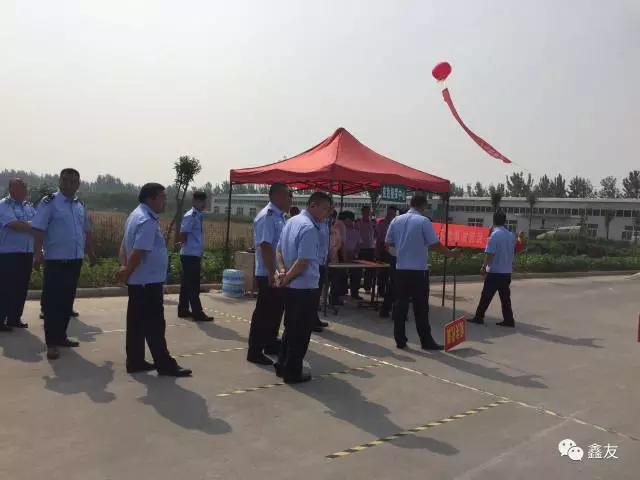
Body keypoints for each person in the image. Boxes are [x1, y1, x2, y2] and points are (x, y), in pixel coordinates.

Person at [117, 183, 192, 376]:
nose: (165, 201)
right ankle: (165, 364)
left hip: (139, 281)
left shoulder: (135, 215)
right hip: (147, 282)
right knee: (155, 325)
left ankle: (135, 361)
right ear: (150, 199)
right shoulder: (146, 220)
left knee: (136, 324)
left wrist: (125, 268)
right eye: (162, 197)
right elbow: (139, 251)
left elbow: (123, 247)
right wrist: (127, 270)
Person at [32, 168, 96, 360]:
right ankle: (51, 343)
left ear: (78, 184)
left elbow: (86, 230)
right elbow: (38, 229)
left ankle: (61, 336)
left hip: (75, 260)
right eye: (65, 180)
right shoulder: (49, 202)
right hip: (56, 261)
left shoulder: (79, 205)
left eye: (73, 181)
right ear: (60, 181)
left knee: (67, 302)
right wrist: (38, 253)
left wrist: (91, 252)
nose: (69, 184)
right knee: (53, 303)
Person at [385, 194, 460, 350]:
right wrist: (450, 253)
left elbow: (388, 244)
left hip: (401, 269)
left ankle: (400, 340)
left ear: (411, 204)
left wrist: (401, 254)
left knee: (400, 305)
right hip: (418, 271)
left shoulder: (396, 220)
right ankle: (426, 341)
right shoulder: (423, 221)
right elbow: (435, 244)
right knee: (420, 307)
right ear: (423, 205)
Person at [275, 192, 332, 383]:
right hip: (304, 287)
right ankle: (292, 371)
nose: (326, 213)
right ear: (313, 206)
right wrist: (287, 277)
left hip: (291, 286)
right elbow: (303, 262)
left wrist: (283, 272)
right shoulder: (309, 228)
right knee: (300, 332)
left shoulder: (291, 222)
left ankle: (282, 364)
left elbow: (279, 251)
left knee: (290, 328)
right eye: (324, 209)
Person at [247, 183, 291, 365]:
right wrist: (272, 273)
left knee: (275, 312)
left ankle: (270, 343)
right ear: (278, 196)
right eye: (288, 195)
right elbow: (265, 246)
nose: (290, 199)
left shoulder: (280, 216)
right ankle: (254, 351)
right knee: (264, 313)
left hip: (277, 272)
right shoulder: (268, 216)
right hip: (268, 272)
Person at [469, 211, 517, 328]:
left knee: (486, 295)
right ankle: (509, 320)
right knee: (505, 298)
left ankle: (479, 317)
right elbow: (512, 251)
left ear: (494, 221)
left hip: (495, 271)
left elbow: (490, 253)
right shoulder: (511, 235)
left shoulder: (495, 235)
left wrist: (484, 267)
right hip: (506, 272)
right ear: (504, 221)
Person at [0, 179, 36, 331]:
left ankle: (14, 318)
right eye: (21, 187)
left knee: (21, 287)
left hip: (27, 252)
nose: (25, 190)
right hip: (8, 253)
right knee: (5, 288)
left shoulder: (28, 206)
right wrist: (31, 225)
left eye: (25, 187)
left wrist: (27, 225)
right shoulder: (4, 205)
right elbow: (14, 225)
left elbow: (40, 223)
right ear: (12, 189)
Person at [177, 191, 213, 322]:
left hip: (193, 254)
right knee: (193, 285)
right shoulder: (191, 215)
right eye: (201, 202)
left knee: (186, 285)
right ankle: (198, 313)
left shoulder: (198, 215)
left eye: (204, 202)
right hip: (190, 255)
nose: (204, 204)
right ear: (195, 202)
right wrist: (186, 245)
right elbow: (183, 233)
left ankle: (183, 310)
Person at [376, 205, 398, 318]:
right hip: (385, 252)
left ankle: (390, 308)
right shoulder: (382, 224)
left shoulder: (397, 224)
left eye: (393, 213)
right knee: (384, 274)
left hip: (395, 255)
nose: (390, 215)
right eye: (389, 213)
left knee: (393, 282)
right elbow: (380, 239)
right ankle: (381, 292)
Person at [313, 212, 331, 332]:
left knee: (317, 293)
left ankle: (315, 318)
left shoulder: (325, 223)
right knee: (313, 294)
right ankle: (310, 320)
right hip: (315, 262)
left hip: (322, 261)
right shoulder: (315, 223)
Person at [342, 211, 363, 300]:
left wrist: (355, 253)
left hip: (353, 257)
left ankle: (354, 292)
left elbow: (359, 244)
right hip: (342, 256)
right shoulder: (340, 231)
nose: (351, 222)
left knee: (356, 274)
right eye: (349, 220)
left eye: (351, 220)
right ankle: (342, 292)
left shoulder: (356, 232)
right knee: (342, 274)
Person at [357, 206, 376, 292]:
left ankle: (367, 287)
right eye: (365, 212)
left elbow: (375, 235)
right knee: (358, 269)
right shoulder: (358, 222)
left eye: (368, 212)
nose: (367, 213)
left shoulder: (373, 222)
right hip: (360, 248)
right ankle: (356, 288)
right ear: (362, 212)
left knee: (370, 269)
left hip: (370, 248)